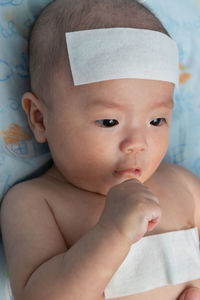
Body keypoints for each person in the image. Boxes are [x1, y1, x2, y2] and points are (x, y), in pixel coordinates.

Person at [1, 0, 200, 299]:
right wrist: (113, 233)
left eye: (156, 120)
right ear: (40, 119)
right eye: (109, 121)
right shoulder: (36, 203)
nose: (138, 142)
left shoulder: (184, 186)